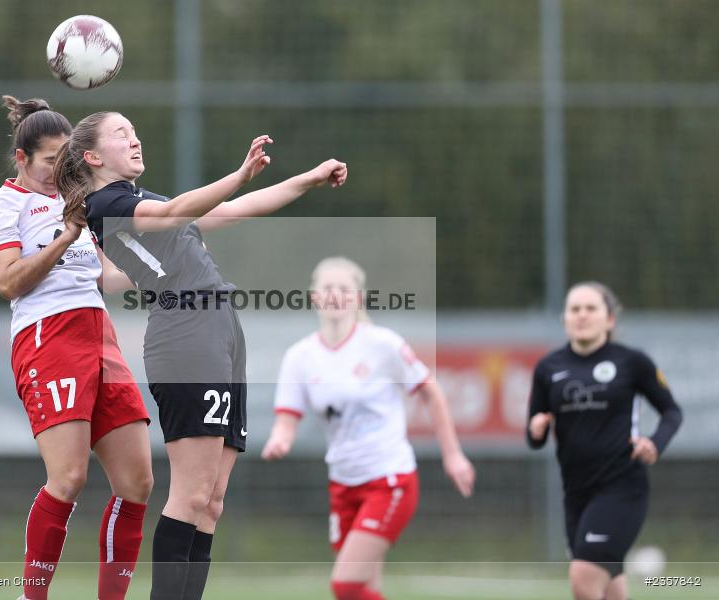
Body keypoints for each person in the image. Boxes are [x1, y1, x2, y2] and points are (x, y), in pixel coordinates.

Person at [53, 110, 347, 600]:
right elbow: (177, 213)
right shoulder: (107, 203)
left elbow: (233, 210)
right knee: (190, 495)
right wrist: (235, 174)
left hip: (220, 327)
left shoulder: (147, 200)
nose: (135, 139)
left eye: (136, 131)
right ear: (92, 156)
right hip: (185, 331)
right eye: (121, 133)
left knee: (211, 503)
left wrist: (307, 179)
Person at [0, 96, 152, 600]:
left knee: (138, 482)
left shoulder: (77, 198)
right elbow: (9, 282)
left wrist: (160, 272)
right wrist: (67, 233)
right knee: (69, 477)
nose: (59, 171)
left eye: (66, 160)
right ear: (22, 159)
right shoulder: (1, 205)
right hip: (47, 337)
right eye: (51, 161)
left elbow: (105, 274)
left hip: (100, 337)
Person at [261, 256, 476, 600]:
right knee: (364, 588)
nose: (335, 295)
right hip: (343, 483)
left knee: (345, 585)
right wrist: (279, 441)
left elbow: (431, 393)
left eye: (343, 288)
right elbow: (286, 422)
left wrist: (453, 456)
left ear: (358, 297)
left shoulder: (383, 344)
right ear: (314, 296)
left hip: (390, 480)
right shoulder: (300, 356)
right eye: (327, 287)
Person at [527, 282, 683, 600]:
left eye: (591, 308)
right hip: (576, 493)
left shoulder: (632, 362)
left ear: (609, 319)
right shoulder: (548, 368)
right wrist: (536, 430)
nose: (582, 315)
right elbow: (535, 438)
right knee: (610, 589)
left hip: (622, 486)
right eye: (574, 309)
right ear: (565, 319)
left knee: (583, 581)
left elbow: (671, 412)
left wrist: (655, 443)